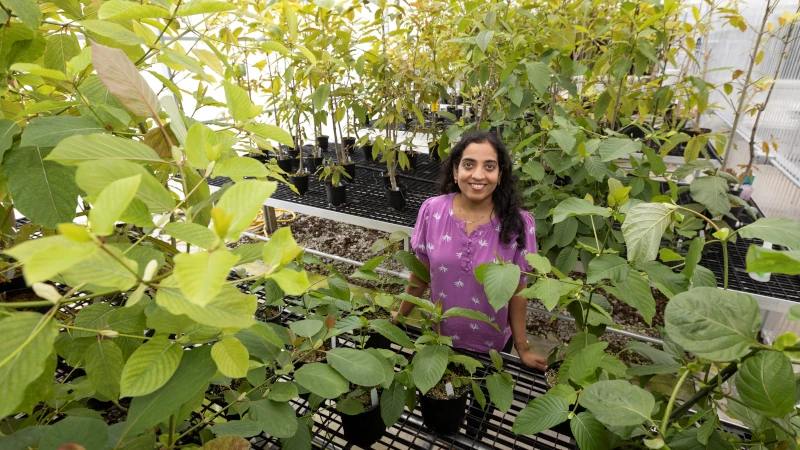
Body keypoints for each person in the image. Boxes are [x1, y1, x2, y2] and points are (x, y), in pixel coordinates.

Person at [394, 130, 546, 371]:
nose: (478, 175)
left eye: (489, 166)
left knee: (480, 402)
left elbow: (518, 289)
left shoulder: (519, 224)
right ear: (456, 171)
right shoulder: (432, 211)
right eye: (468, 165)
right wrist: (398, 317)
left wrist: (523, 348)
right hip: (440, 338)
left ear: (500, 174)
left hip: (493, 345)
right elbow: (421, 274)